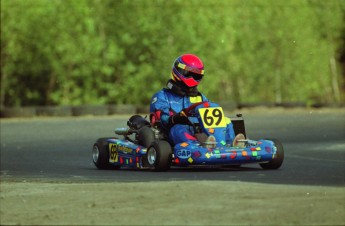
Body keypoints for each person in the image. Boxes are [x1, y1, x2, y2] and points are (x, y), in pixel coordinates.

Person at [150, 53, 243, 147]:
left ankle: (228, 145)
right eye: (188, 74)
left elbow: (210, 115)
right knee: (178, 129)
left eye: (195, 76)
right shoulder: (162, 96)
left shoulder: (200, 97)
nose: (192, 78)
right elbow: (160, 119)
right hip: (173, 133)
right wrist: (175, 118)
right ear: (178, 71)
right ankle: (195, 147)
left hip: (198, 130)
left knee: (226, 121)